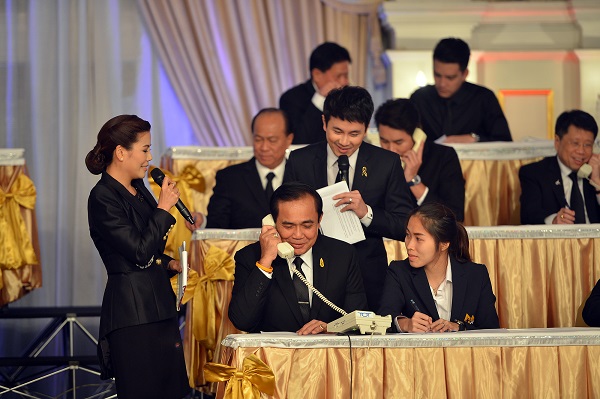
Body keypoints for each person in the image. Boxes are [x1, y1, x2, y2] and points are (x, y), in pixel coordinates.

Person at [284, 86, 414, 311]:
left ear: (366, 129)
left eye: (354, 134)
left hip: (367, 276)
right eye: (337, 131)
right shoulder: (299, 160)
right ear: (324, 122)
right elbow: (283, 211)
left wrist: (367, 213)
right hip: (312, 272)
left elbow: (404, 224)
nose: (344, 141)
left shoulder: (386, 163)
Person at [86, 115, 189, 399]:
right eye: (144, 149)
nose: (150, 157)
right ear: (121, 152)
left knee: (172, 390)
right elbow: (138, 251)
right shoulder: (102, 197)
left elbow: (150, 249)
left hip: (160, 308)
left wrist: (168, 262)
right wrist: (164, 208)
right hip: (132, 314)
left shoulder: (139, 189)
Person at [228, 182, 368, 334]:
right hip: (273, 356)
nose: (298, 235)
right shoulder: (250, 257)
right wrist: (266, 262)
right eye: (288, 226)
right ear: (273, 222)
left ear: (319, 219)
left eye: (307, 226)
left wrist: (331, 329)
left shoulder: (343, 255)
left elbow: (360, 319)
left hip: (328, 355)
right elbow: (242, 321)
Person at [378, 202, 499, 333]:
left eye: (418, 238)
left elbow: (492, 329)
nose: (409, 245)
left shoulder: (476, 274)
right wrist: (405, 324)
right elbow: (383, 319)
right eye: (408, 235)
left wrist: (459, 327)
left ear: (444, 244)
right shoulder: (399, 272)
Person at [186, 108, 294, 230]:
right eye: (258, 139)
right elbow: (217, 224)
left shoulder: (302, 174)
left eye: (272, 140)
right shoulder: (229, 178)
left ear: (288, 139)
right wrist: (202, 221)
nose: (264, 147)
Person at [374, 98, 465, 221]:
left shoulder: (444, 157)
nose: (391, 150)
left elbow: (455, 216)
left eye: (398, 142)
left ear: (417, 134)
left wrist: (413, 180)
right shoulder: (375, 159)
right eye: (384, 141)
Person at [410, 37, 512, 143]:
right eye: (437, 75)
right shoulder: (419, 99)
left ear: (465, 74)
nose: (442, 83)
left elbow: (504, 142)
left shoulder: (484, 98)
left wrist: (474, 139)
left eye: (450, 77)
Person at [519, 110, 600, 224]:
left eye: (587, 145)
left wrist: (597, 182)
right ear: (557, 142)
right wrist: (553, 221)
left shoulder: (595, 173)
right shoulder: (534, 173)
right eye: (575, 143)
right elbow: (529, 216)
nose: (581, 151)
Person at [279, 42, 351, 144]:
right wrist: (320, 99)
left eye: (346, 75)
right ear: (317, 75)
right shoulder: (291, 99)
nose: (345, 82)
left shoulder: (347, 97)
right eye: (339, 76)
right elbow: (298, 141)